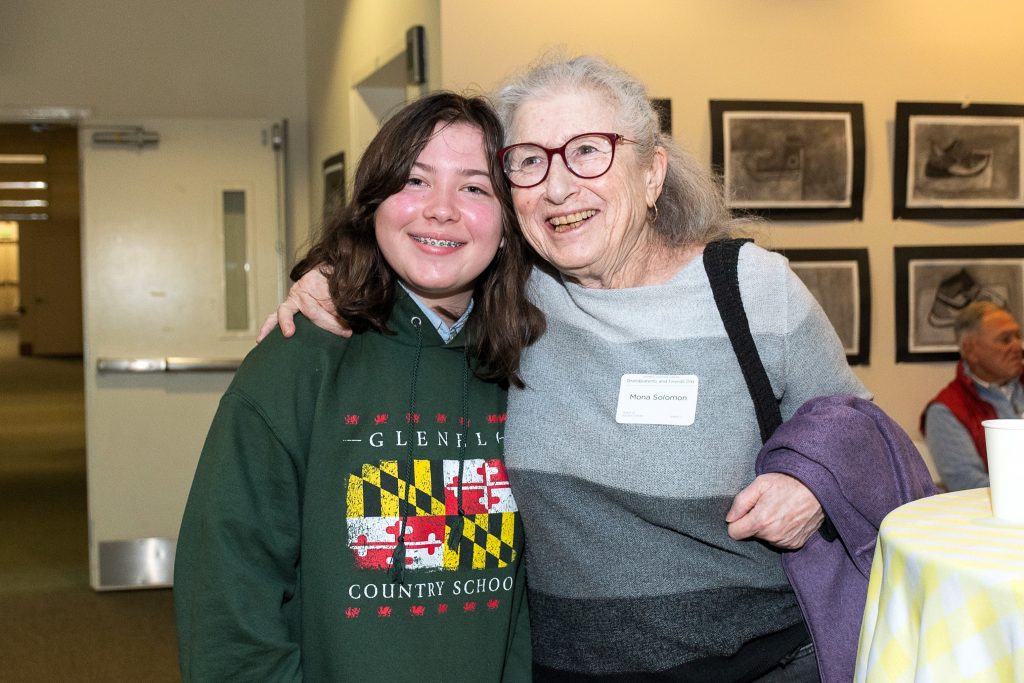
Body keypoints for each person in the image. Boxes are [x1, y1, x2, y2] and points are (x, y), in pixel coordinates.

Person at [266, 55, 869, 681]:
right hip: (564, 670)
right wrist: (332, 273)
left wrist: (813, 485)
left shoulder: (750, 289)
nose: (558, 188)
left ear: (652, 173)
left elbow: (854, 425)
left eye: (588, 151)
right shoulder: (512, 300)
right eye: (530, 160)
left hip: (765, 663)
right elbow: (422, 244)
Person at [174, 92, 543, 682]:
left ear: (508, 226)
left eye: (475, 188)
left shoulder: (537, 365)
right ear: (375, 203)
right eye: (415, 181)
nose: (441, 209)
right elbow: (227, 592)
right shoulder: (300, 361)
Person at [921, 301, 1024, 491]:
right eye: (1005, 339)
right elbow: (969, 485)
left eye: (1018, 336)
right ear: (970, 351)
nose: (1018, 346)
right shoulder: (946, 411)